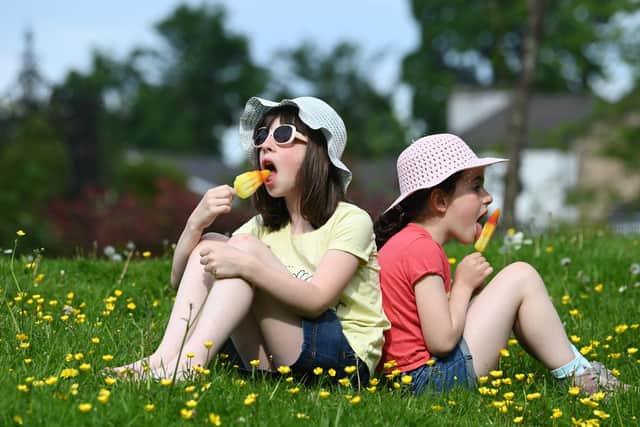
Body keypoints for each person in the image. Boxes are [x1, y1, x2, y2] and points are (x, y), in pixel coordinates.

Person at [112, 96, 389, 384]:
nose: (264, 145)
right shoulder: (262, 226)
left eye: (283, 135)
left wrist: (248, 266)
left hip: (342, 360)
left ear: (318, 152)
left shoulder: (350, 220)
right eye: (261, 135)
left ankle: (188, 367)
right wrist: (195, 225)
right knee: (213, 243)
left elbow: (317, 300)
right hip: (276, 360)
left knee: (241, 252)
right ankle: (163, 359)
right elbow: (181, 280)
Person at [374, 133, 628, 395]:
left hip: (406, 382)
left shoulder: (407, 243)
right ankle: (581, 377)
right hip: (429, 381)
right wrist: (462, 286)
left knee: (511, 290)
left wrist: (469, 293)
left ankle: (579, 370)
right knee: (521, 276)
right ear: (439, 201)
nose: (488, 197)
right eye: (475, 187)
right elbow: (441, 340)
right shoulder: (421, 248)